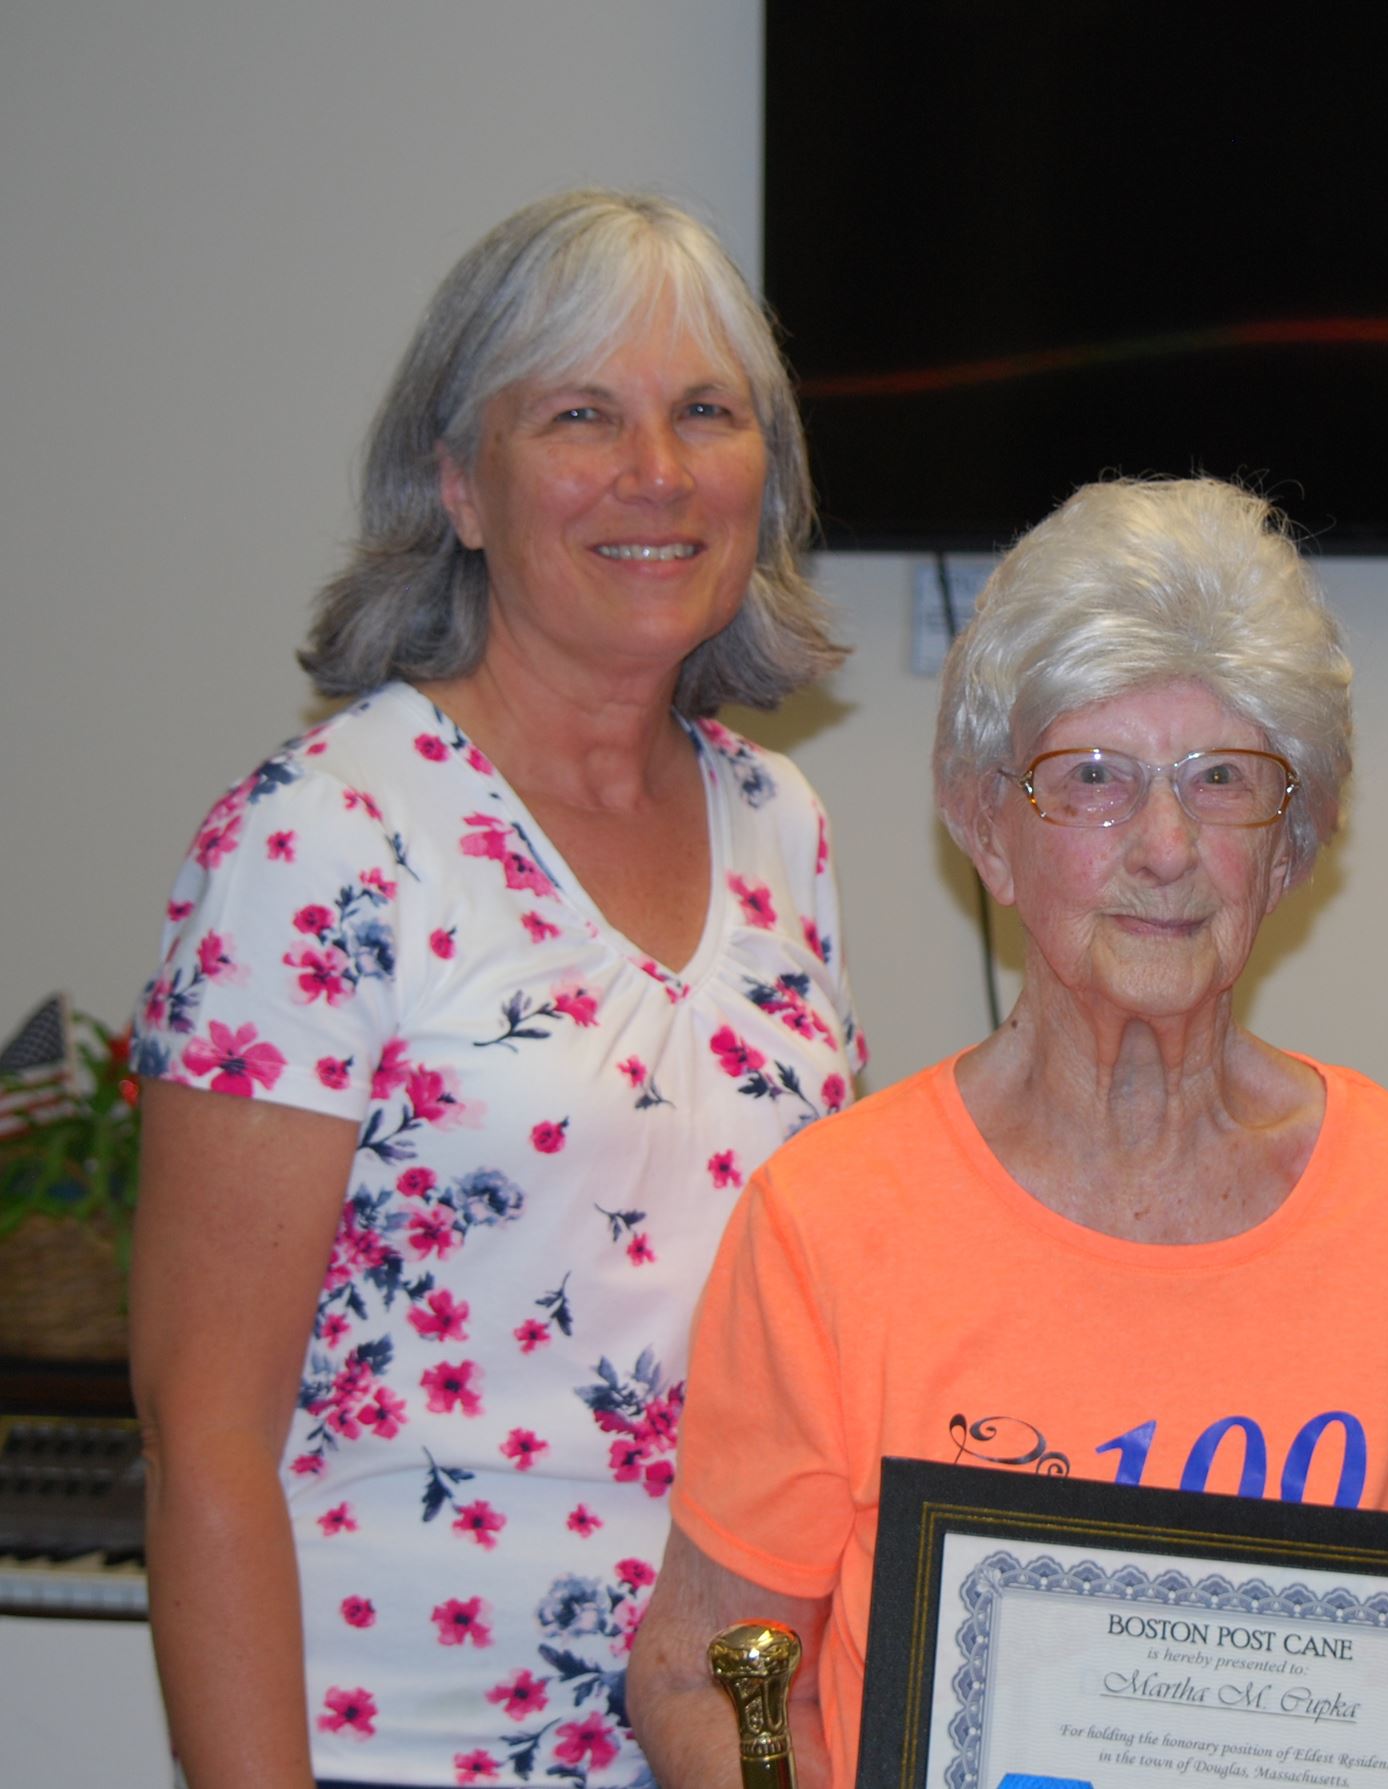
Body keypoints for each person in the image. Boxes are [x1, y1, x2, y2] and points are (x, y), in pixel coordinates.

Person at [128, 190, 864, 1789]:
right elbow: (203, 1434)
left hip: (718, 1744)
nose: (655, 472)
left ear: (766, 483)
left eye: (707, 414)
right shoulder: (325, 837)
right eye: (581, 414)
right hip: (388, 1744)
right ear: (460, 483)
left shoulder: (782, 829)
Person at [627, 475, 1388, 1785]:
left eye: (1225, 780)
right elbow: (701, 1675)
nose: (1166, 844)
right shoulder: (833, 1222)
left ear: (1291, 844)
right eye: (1095, 778)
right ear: (990, 825)